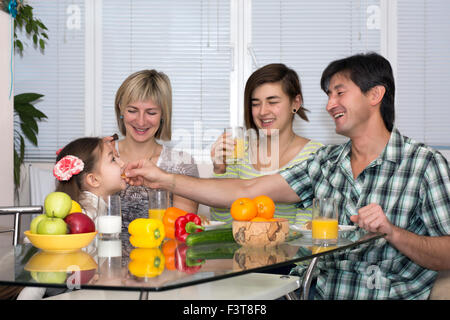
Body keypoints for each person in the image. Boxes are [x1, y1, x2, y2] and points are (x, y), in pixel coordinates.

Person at [123, 52, 450, 300]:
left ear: (374, 95)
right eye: (328, 95)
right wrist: (164, 179)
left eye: (339, 93)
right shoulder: (325, 162)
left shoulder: (424, 165)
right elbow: (249, 189)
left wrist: (392, 232)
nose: (329, 105)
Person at [209, 63, 323, 226]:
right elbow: (223, 224)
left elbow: (305, 230)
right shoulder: (239, 151)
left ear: (295, 103)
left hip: (291, 251)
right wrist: (220, 170)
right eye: (255, 104)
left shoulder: (316, 155)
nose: (262, 112)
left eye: (272, 101)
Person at [17, 136, 127, 300]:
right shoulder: (82, 215)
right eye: (113, 159)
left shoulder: (98, 207)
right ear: (93, 179)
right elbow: (40, 266)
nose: (122, 163)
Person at [113, 69, 199, 233]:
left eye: (151, 112)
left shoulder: (181, 164)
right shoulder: (102, 156)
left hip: (161, 257)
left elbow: (181, 232)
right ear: (121, 109)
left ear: (163, 114)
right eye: (132, 110)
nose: (140, 121)